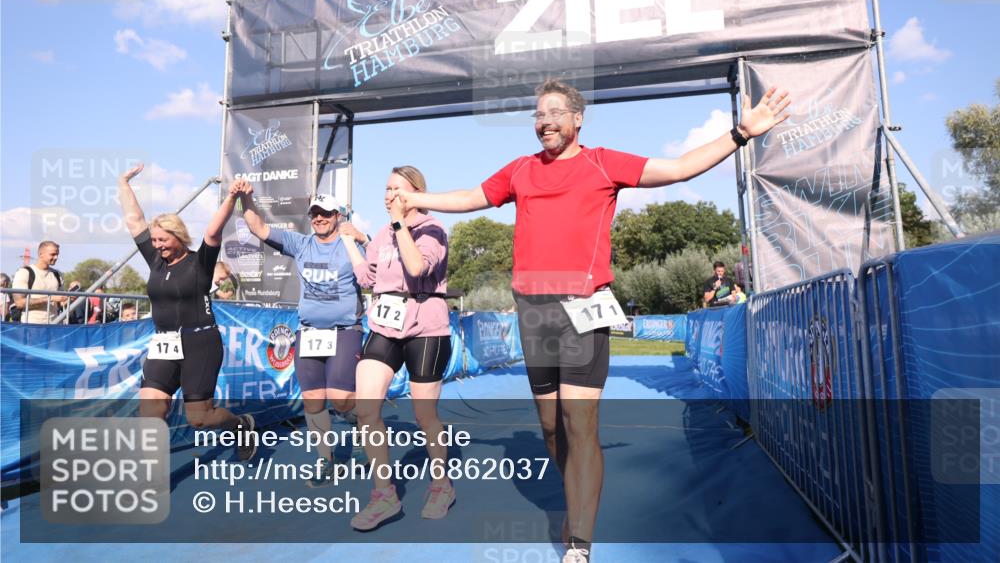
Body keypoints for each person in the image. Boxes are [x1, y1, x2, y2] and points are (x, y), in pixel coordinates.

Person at [395, 78, 790, 562]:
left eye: (555, 113)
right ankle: (577, 495)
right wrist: (419, 200)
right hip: (533, 313)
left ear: (578, 119)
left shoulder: (603, 163)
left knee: (578, 422)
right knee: (550, 427)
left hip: (583, 308)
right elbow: (471, 196)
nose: (545, 122)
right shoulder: (520, 170)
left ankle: (579, 541)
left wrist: (740, 134)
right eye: (538, 115)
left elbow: (681, 168)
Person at [338, 165, 455, 531]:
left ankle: (441, 485)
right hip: (385, 326)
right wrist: (350, 243)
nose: (389, 195)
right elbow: (368, 277)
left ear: (416, 193)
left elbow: (418, 267)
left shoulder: (432, 229)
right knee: (366, 409)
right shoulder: (383, 234)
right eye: (386, 189)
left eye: (397, 189)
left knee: (424, 416)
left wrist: (399, 224)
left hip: (426, 327)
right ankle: (384, 493)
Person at [117, 163, 257, 461]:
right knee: (151, 412)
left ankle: (240, 425)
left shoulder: (200, 263)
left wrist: (231, 198)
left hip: (200, 344)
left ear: (179, 237)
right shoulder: (156, 261)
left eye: (163, 240)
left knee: (199, 419)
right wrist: (123, 182)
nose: (158, 246)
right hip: (164, 345)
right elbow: (134, 220)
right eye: (154, 241)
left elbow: (213, 230)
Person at [237, 181, 366, 486]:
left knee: (341, 399)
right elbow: (257, 227)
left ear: (338, 216)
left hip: (345, 330)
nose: (320, 218)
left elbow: (378, 266)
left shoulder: (350, 244)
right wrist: (245, 198)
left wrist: (362, 236)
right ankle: (325, 458)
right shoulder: (300, 243)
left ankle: (364, 422)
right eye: (315, 214)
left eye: (326, 213)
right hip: (309, 332)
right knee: (312, 401)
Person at [11, 241, 67, 324]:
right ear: (41, 254)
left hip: (54, 325)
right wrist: (49, 298)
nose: (56, 257)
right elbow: (19, 303)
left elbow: (61, 301)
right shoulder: (24, 272)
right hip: (31, 326)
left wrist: (68, 300)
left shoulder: (57, 274)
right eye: (53, 254)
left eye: (57, 254)